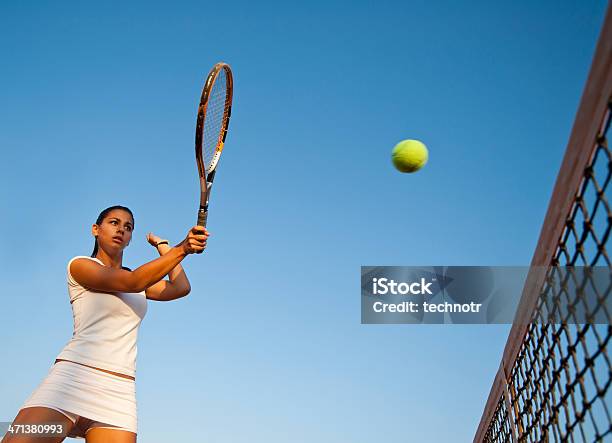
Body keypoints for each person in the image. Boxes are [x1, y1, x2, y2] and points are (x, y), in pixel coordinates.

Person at [2, 205, 208, 443]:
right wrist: (183, 248)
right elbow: (132, 281)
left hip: (118, 391)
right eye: (114, 222)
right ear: (95, 229)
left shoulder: (140, 281)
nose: (121, 229)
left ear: (130, 239)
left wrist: (165, 247)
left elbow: (180, 287)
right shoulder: (80, 266)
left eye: (128, 227)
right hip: (72, 378)